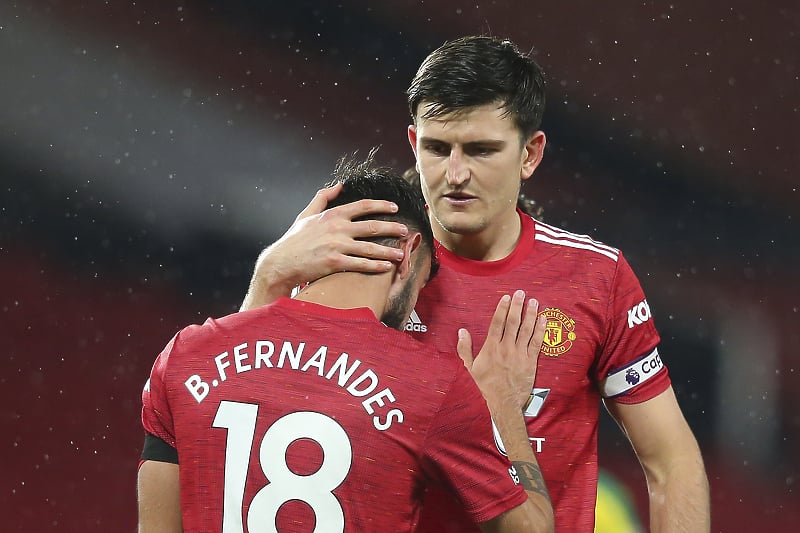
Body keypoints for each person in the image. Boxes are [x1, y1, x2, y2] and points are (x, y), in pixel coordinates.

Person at [240, 36, 710, 532]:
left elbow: (670, 459)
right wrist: (269, 277)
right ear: (412, 144)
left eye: (481, 150)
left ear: (530, 154)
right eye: (437, 149)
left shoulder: (595, 277)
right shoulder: (365, 256)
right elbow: (241, 408)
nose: (455, 174)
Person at [137, 152, 554, 533]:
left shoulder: (186, 356)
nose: (413, 316)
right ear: (408, 253)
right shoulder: (431, 384)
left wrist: (268, 276)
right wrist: (502, 412)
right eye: (423, 285)